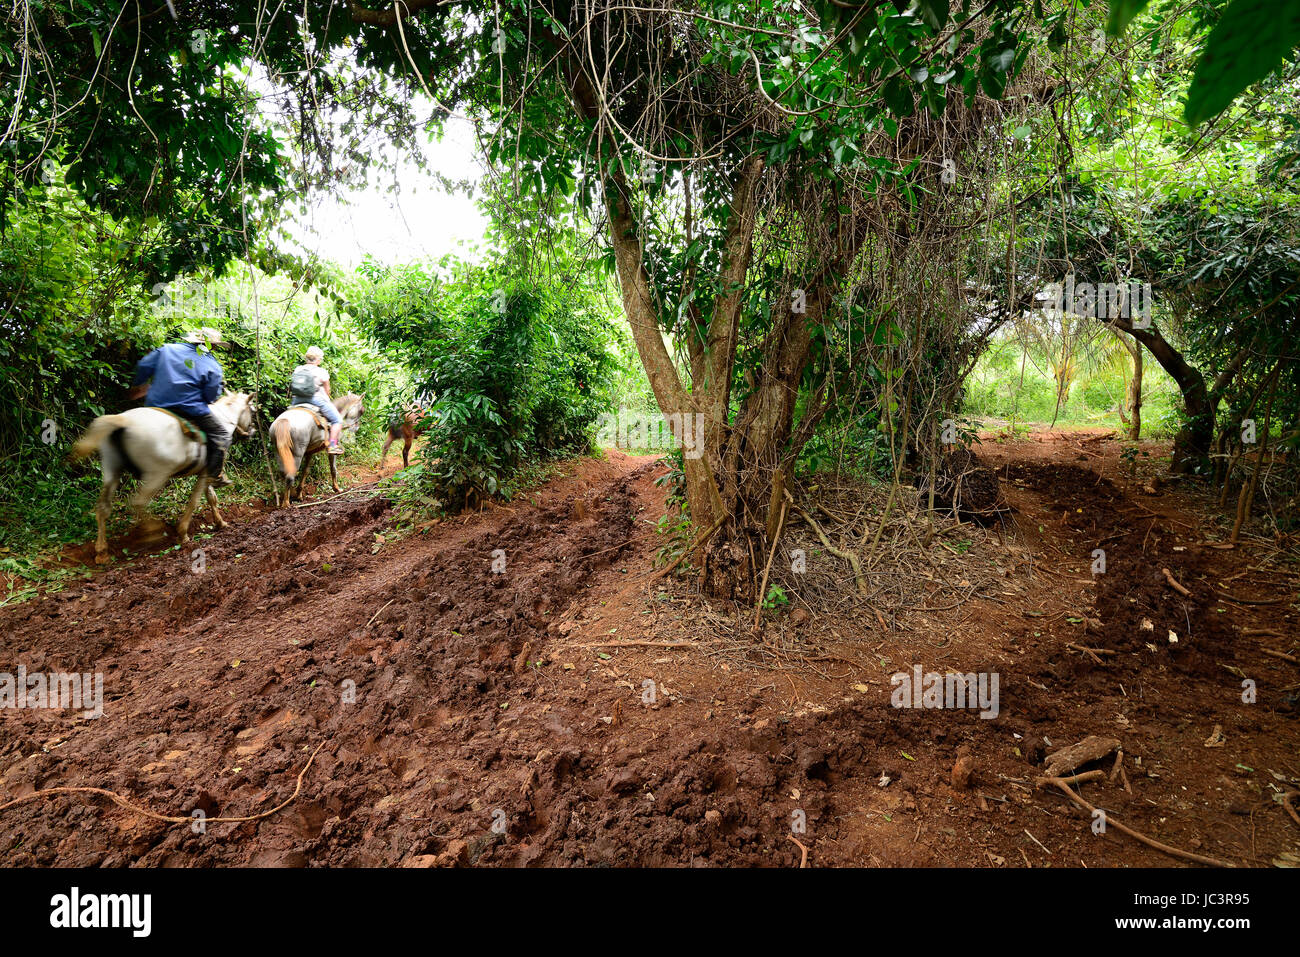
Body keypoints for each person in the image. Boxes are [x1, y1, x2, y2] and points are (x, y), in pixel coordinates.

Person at [127, 327, 233, 486]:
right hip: (190, 409)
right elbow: (211, 397)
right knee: (222, 434)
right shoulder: (212, 365)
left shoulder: (167, 349)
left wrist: (139, 385)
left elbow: (143, 365)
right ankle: (214, 475)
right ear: (213, 345)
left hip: (155, 404)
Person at [290, 346, 344, 454]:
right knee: (337, 420)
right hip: (315, 400)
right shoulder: (321, 371)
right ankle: (332, 445)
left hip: (296, 400)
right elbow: (327, 390)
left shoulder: (298, 369)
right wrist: (327, 398)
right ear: (318, 359)